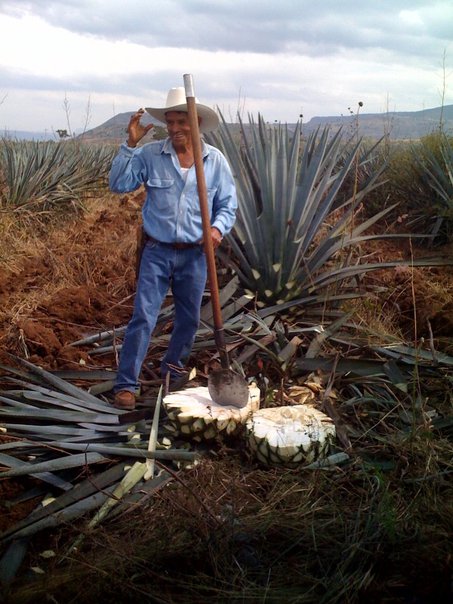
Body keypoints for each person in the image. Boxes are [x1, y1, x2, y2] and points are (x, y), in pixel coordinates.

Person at [109, 87, 237, 410]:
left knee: (189, 320)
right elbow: (117, 185)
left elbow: (228, 205)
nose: (176, 128)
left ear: (196, 123)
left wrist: (217, 229)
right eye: (171, 121)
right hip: (158, 251)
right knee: (143, 316)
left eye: (183, 121)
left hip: (195, 254)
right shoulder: (151, 155)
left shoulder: (215, 162)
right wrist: (130, 144)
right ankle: (126, 384)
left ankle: (171, 375)